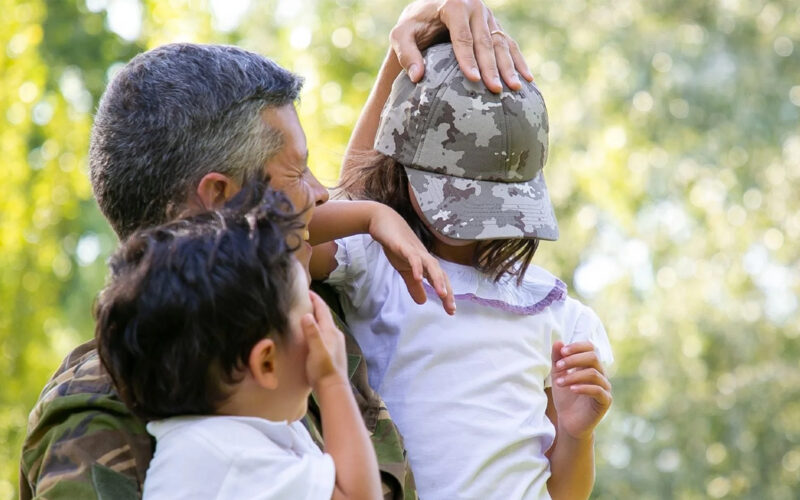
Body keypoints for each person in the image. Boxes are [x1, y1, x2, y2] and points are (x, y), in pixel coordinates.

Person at [19, 1, 534, 498]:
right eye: (297, 171)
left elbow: (359, 201)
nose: (322, 193)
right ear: (221, 198)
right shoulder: (97, 418)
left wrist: (408, 49)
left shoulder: (295, 306)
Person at [311, 43, 614, 500]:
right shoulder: (377, 259)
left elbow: (565, 494)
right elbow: (281, 233)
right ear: (402, 160)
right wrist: (372, 216)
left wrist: (577, 434)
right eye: (452, 188)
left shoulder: (554, 311)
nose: (464, 215)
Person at [95, 184, 381, 499]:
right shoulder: (227, 457)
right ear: (266, 362)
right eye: (309, 312)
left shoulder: (224, 441)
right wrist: (333, 381)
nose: (322, 324)